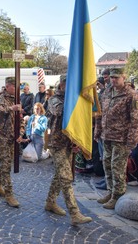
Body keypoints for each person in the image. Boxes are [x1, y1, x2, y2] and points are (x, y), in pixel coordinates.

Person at [45, 75, 92, 225]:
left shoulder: (73, 99)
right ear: (61, 86)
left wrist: (77, 140)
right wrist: (77, 101)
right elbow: (61, 112)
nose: (71, 87)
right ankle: (74, 213)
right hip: (56, 144)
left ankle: (50, 202)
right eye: (67, 84)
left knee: (59, 175)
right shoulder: (54, 100)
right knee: (66, 177)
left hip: (69, 143)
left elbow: (76, 122)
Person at [94, 68, 138, 209]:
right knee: (107, 165)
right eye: (111, 77)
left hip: (121, 138)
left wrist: (132, 141)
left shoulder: (131, 95)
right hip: (106, 136)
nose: (113, 80)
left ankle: (118, 196)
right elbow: (100, 113)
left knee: (117, 167)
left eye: (116, 77)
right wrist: (98, 131)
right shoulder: (107, 92)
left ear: (124, 77)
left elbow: (137, 120)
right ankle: (110, 192)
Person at [0, 77, 24, 207]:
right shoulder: (1, 99)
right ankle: (9, 194)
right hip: (2, 137)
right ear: (8, 86)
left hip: (12, 137)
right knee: (6, 164)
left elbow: (20, 119)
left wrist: (21, 133)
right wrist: (11, 108)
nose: (17, 90)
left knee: (6, 163)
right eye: (14, 87)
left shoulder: (16, 100)